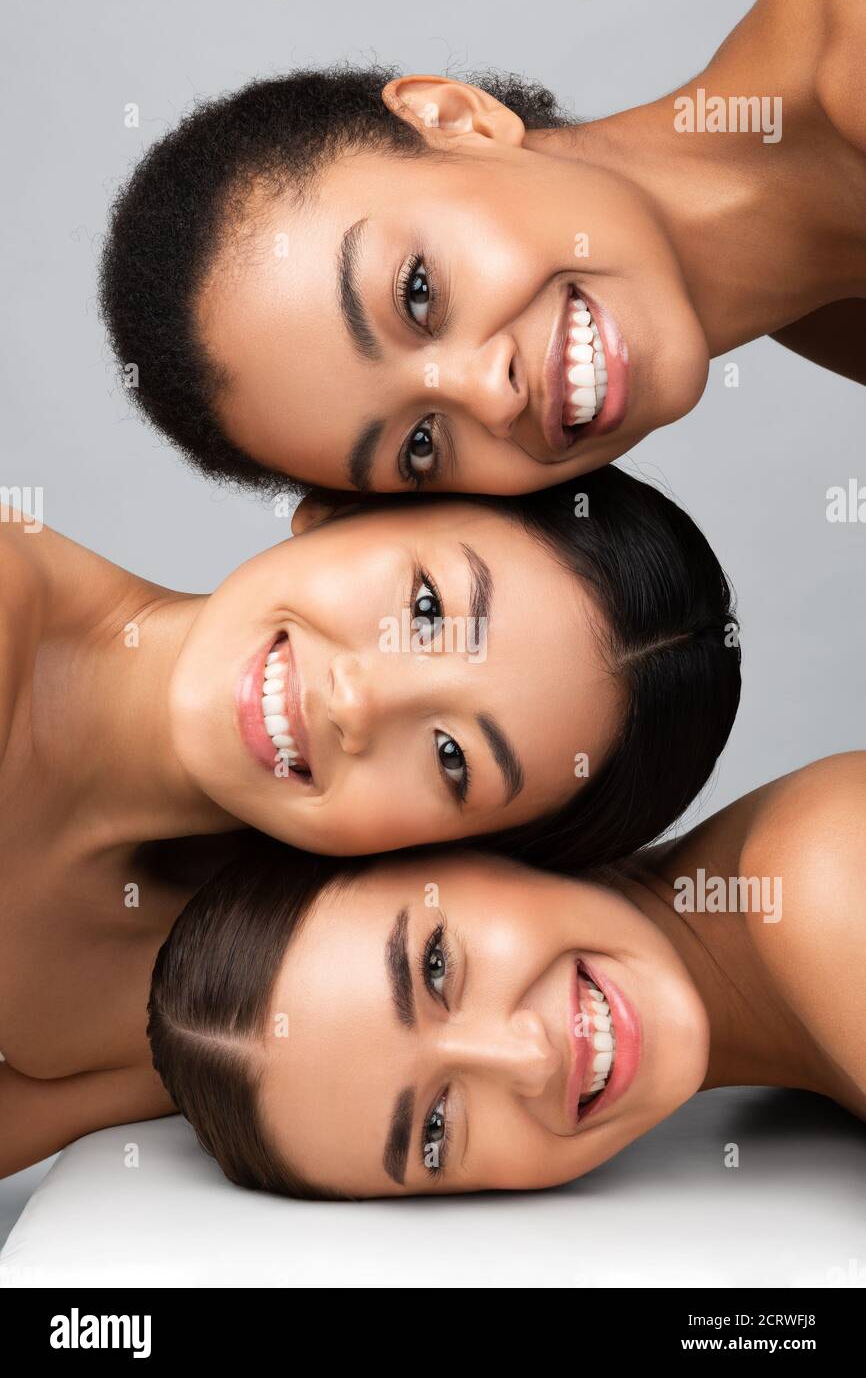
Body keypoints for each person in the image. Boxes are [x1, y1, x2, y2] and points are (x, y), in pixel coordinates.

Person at [0, 468, 740, 1177]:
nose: (356, 705)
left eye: (452, 758)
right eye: (426, 610)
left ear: (457, 857)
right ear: (345, 505)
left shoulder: (237, 1003)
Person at [99, 0, 866, 497]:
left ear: (455, 116)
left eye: (418, 293)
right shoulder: (825, 310)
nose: (488, 395)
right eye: (420, 447)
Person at [148, 752, 866, 1200]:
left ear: (460, 840)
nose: (529, 1059)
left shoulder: (828, 878)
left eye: (434, 968)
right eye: (433, 1131)